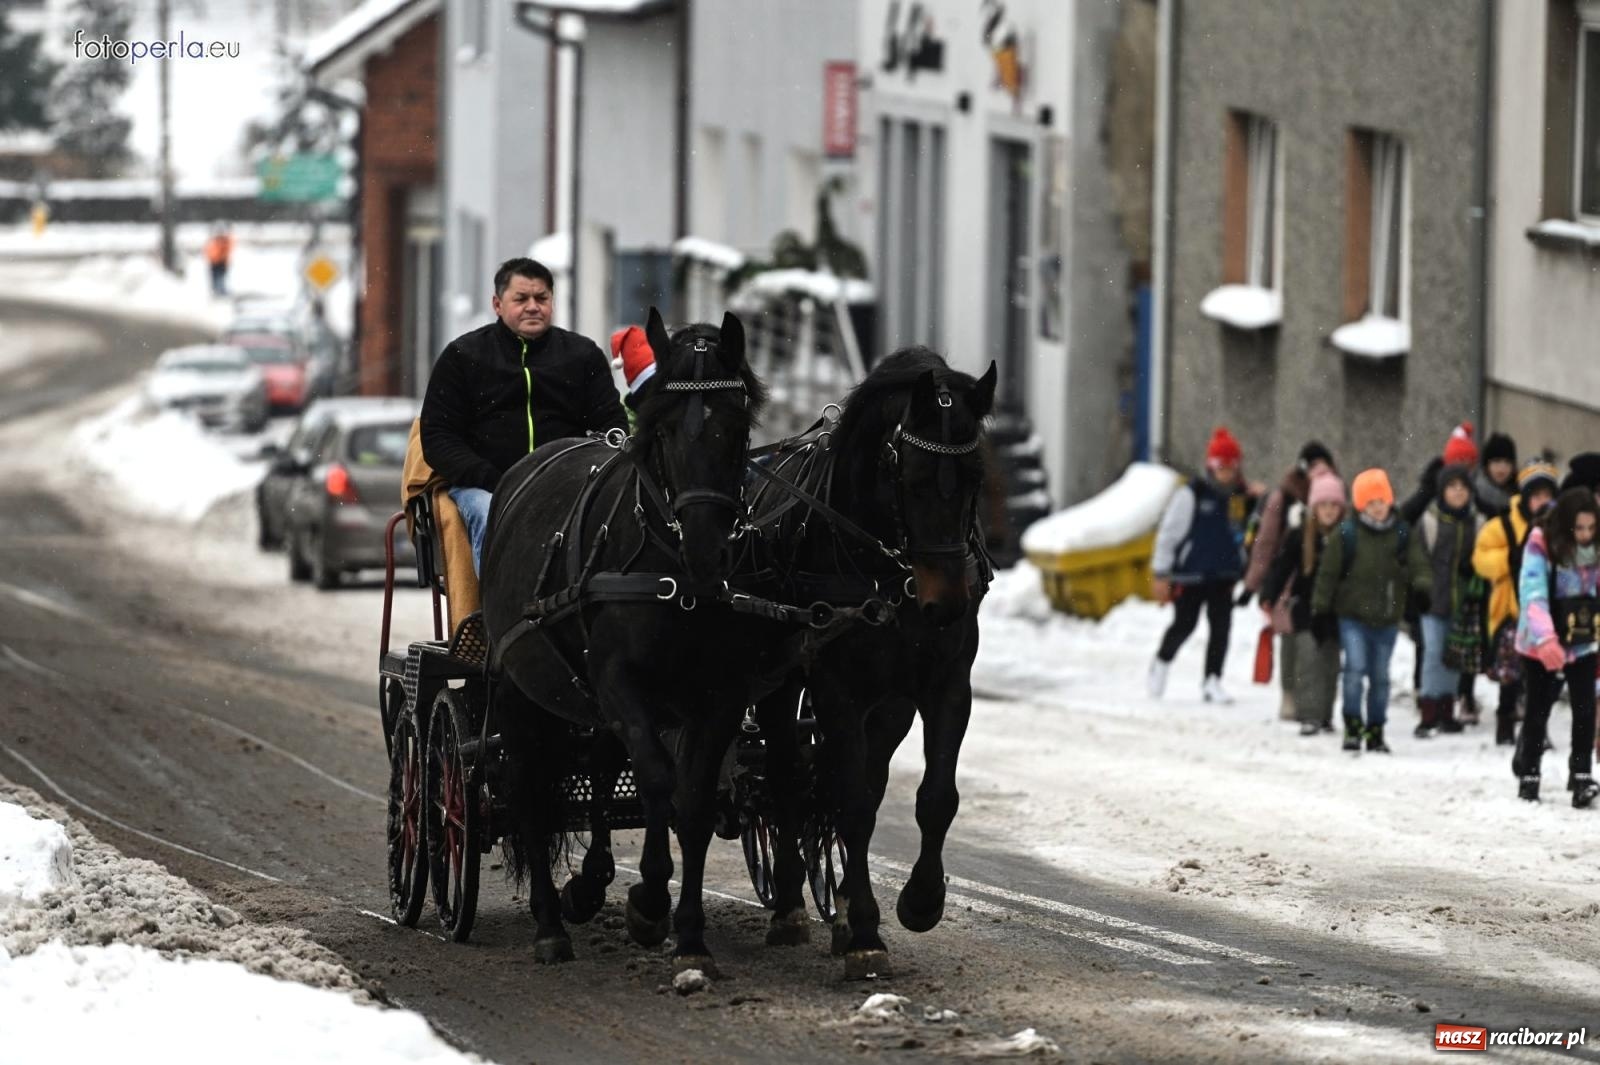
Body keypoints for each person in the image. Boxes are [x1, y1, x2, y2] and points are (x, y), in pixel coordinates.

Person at [420, 257, 628, 574]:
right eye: (521, 299)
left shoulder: (582, 355)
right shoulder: (463, 356)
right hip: (486, 488)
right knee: (492, 515)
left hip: (570, 484)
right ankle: (497, 615)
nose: (533, 307)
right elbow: (438, 436)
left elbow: (611, 426)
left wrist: (586, 472)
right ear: (497, 304)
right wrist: (492, 478)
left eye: (541, 298)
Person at [1311, 469, 1432, 754]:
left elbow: (1418, 564)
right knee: (1354, 670)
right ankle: (1353, 725)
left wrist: (1423, 587)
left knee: (1380, 677)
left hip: (1387, 618)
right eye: (1371, 503)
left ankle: (1375, 729)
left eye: (1382, 501)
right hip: (1352, 616)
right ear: (1360, 505)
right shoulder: (1347, 534)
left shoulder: (1402, 532)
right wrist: (1319, 609)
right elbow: (1328, 574)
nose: (1378, 508)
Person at [1148, 427, 1257, 704]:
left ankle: (1212, 680)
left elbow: (1249, 532)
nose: (1228, 472)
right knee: (1185, 624)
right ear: (1211, 466)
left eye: (1232, 466)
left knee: (1221, 629)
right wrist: (1162, 572)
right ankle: (1161, 661)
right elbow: (1169, 534)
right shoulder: (1192, 494)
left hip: (1224, 574)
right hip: (1191, 573)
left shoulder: (1241, 497)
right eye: (1222, 466)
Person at [1511, 487, 1600, 807]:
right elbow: (1532, 592)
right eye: (1579, 528)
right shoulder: (1541, 542)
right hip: (1540, 641)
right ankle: (1529, 771)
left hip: (1583, 640)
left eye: (1591, 528)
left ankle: (1581, 775)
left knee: (1584, 708)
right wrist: (1546, 639)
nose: (1586, 535)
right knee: (1538, 708)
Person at [1241, 441, 1338, 721]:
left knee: (1313, 644)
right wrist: (1255, 584)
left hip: (1317, 584)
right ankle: (1289, 693)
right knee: (1290, 639)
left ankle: (1315, 702)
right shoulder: (1284, 497)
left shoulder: (1333, 497)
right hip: (1289, 580)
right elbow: (1266, 543)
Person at [1473, 460, 1560, 746]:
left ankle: (1536, 729)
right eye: (1537, 496)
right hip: (1510, 611)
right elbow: (1480, 558)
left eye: (1548, 496)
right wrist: (1506, 561)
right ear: (1525, 498)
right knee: (1510, 673)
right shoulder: (1502, 525)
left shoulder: (1559, 528)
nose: (1542, 502)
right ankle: (1505, 719)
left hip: (1546, 614)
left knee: (1539, 677)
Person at [1260, 468, 1346, 736]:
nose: (1329, 511)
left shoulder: (1347, 537)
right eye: (1324, 505)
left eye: (1334, 505)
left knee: (1330, 665)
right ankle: (1309, 714)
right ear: (1314, 508)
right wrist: (1269, 595)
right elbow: (1282, 567)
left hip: (1334, 611)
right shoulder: (1301, 536)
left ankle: (1325, 713)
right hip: (1306, 608)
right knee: (1308, 662)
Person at [1414, 464, 1482, 737]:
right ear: (1442, 491)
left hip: (1462, 602)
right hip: (1432, 601)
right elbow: (1418, 558)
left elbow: (1481, 557)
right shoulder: (1429, 522)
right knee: (1432, 653)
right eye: (1452, 487)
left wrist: (1472, 570)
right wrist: (1422, 587)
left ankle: (1446, 709)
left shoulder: (1476, 523)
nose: (1457, 492)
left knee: (1454, 656)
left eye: (1462, 487)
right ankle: (1428, 711)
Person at [1475, 432, 1517, 518]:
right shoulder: (1474, 496)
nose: (1502, 468)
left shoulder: (1521, 495)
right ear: (1486, 465)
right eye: (1496, 461)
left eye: (1507, 462)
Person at [204, 226, 233, 297]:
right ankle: (216, 291)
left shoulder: (225, 241)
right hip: (214, 262)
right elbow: (208, 250)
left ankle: (220, 291)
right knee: (214, 278)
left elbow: (226, 251)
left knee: (220, 277)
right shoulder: (214, 240)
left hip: (221, 262)